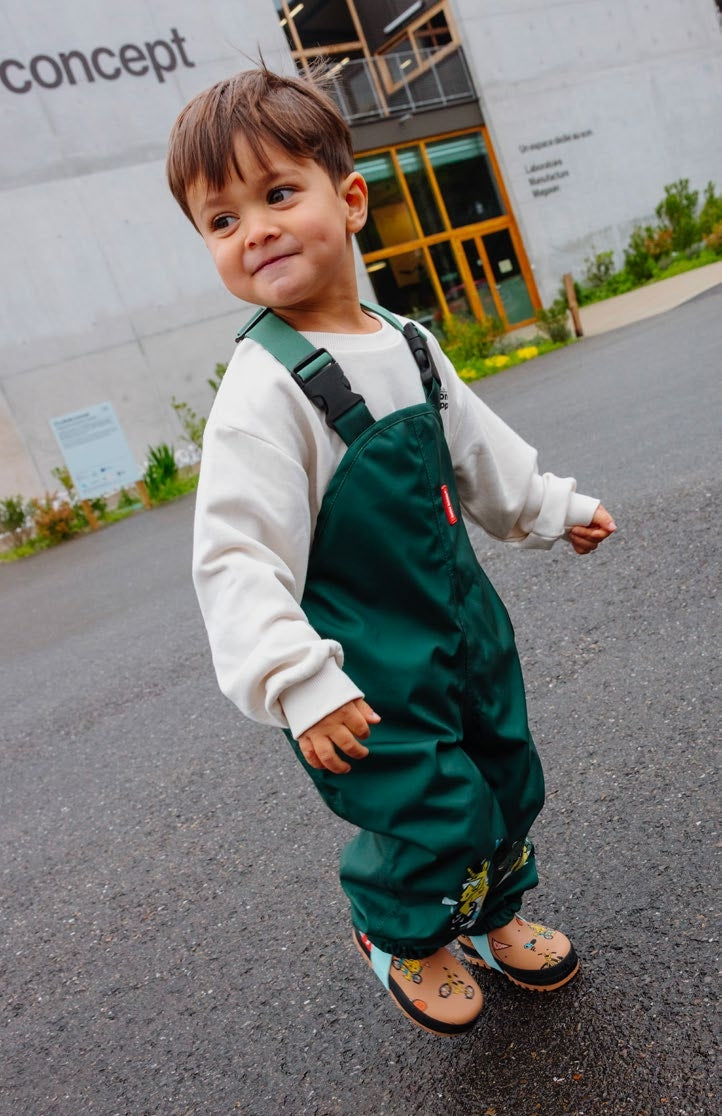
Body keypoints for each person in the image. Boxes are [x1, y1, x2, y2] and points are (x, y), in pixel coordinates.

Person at [166, 65, 616, 1038]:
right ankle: (397, 932)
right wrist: (295, 679)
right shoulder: (263, 389)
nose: (256, 230)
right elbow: (237, 554)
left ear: (350, 197)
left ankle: (496, 916)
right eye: (221, 219)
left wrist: (551, 506)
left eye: (277, 193)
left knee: (506, 774)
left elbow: (480, 454)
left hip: (460, 629)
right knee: (433, 807)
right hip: (361, 671)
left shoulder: (407, 342)